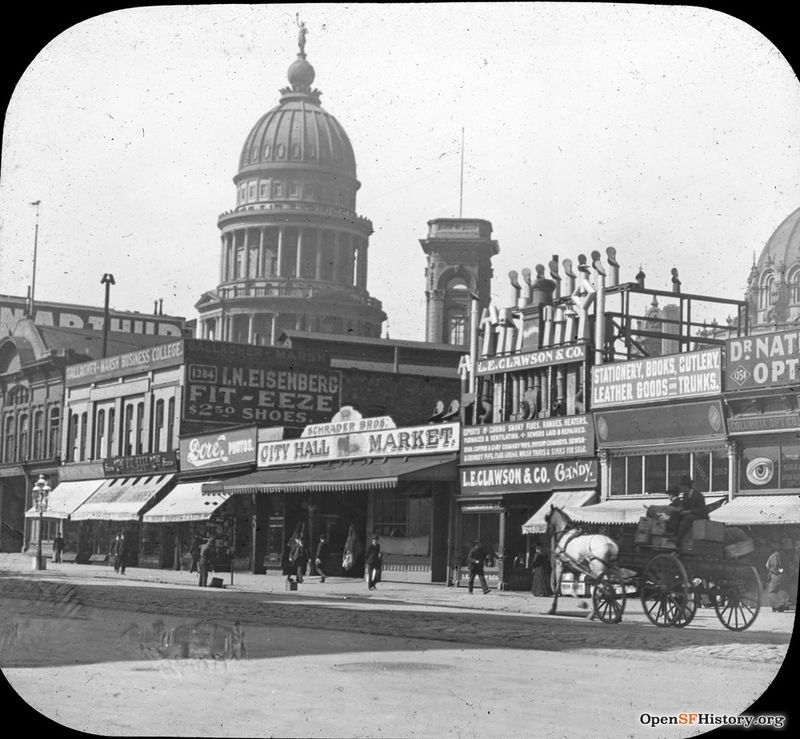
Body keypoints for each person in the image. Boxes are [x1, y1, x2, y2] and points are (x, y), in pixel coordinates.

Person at [676, 476, 709, 544]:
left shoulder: (698, 495)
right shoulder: (685, 495)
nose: (680, 488)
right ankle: (672, 533)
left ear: (686, 486)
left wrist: (688, 511)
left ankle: (679, 539)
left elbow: (702, 510)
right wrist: (681, 509)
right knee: (675, 514)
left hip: (700, 517)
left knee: (688, 518)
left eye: (681, 486)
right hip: (689, 515)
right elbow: (685, 506)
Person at [766, 547, 791, 612]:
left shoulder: (774, 556)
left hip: (776, 575)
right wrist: (782, 571)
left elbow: (775, 566)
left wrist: (777, 571)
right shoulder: (781, 555)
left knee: (771, 591)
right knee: (783, 589)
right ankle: (785, 604)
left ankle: (777, 606)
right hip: (783, 575)